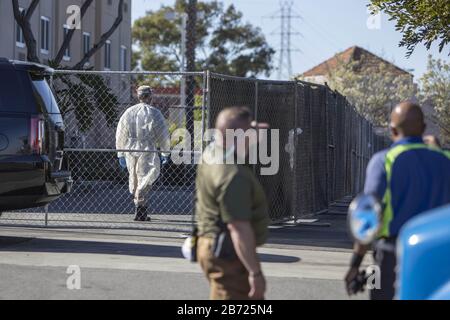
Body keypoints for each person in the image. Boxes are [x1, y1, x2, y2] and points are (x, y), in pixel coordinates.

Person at [345, 101, 450, 300]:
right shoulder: (445, 160)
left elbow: (368, 218)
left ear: (392, 130)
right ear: (424, 129)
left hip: (392, 256)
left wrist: (355, 265)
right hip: (443, 254)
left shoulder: (384, 161)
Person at [195, 106, 271, 300]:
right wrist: (255, 273)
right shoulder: (233, 174)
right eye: (250, 132)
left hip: (211, 245)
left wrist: (249, 129)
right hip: (229, 254)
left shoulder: (212, 153)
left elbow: (234, 134)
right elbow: (238, 227)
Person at [116, 86, 171, 222]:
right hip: (147, 149)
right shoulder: (155, 113)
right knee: (145, 179)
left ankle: (139, 208)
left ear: (138, 96)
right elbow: (163, 135)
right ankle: (141, 210)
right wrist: (165, 152)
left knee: (134, 178)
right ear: (150, 97)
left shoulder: (129, 112)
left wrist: (121, 153)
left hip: (130, 148)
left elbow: (120, 133)